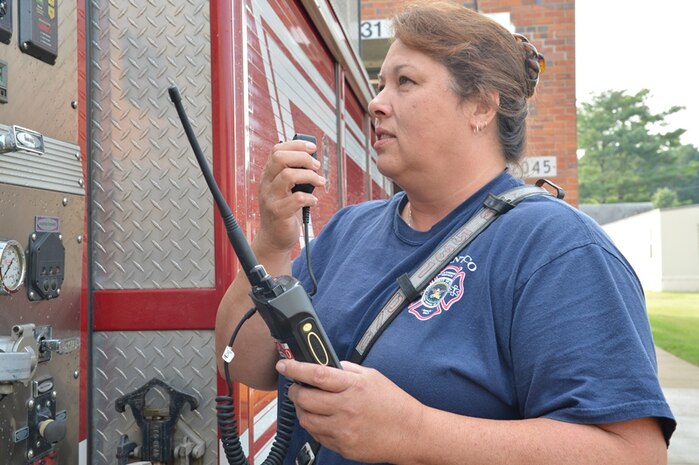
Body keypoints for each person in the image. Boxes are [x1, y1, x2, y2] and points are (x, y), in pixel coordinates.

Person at [215, 2, 675, 464]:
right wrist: (273, 241)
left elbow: (634, 452)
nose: (376, 102)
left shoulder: (556, 248)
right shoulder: (349, 230)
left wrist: (414, 431)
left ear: (480, 106)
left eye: (405, 81)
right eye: (379, 85)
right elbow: (244, 364)